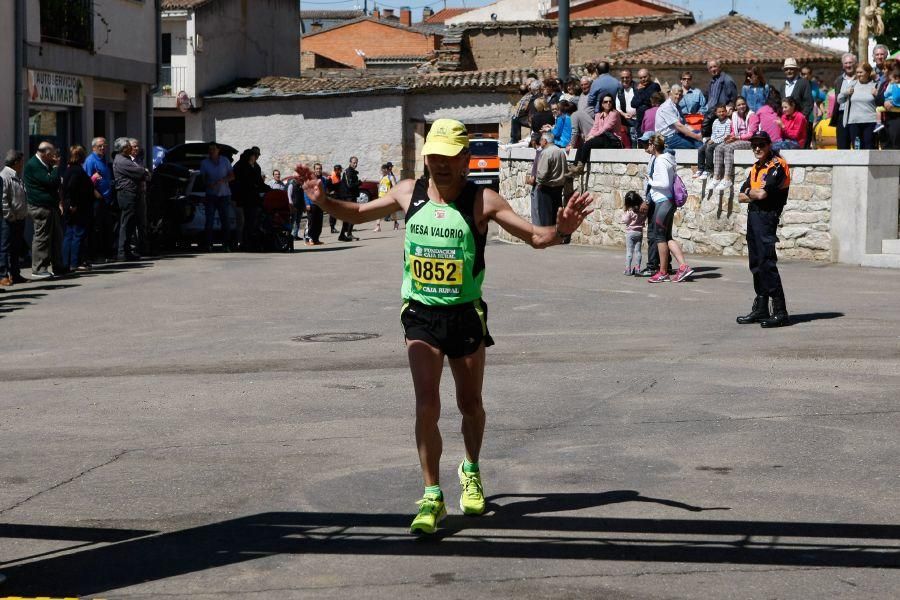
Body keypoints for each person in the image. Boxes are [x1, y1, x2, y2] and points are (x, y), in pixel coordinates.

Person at [299, 118, 594, 535]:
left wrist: (561, 231)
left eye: (446, 156)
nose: (437, 163)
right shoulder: (408, 192)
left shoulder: (483, 201)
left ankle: (470, 469)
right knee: (427, 404)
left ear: (464, 160)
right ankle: (432, 494)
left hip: (465, 314)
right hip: (420, 314)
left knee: (470, 405)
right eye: (432, 155)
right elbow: (360, 213)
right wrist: (324, 200)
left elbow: (535, 237)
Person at [737, 131, 790, 328]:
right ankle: (761, 307)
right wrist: (752, 193)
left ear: (769, 145)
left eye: (761, 144)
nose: (757, 148)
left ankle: (780, 310)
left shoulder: (778, 165)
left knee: (767, 263)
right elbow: (741, 196)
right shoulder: (756, 167)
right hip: (754, 216)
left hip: (767, 217)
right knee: (756, 263)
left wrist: (751, 193)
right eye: (754, 145)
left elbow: (761, 194)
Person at [642, 133, 693, 283]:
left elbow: (664, 183)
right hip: (667, 202)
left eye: (649, 144)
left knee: (659, 237)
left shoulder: (660, 160)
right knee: (666, 237)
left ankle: (663, 272)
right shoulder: (667, 158)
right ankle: (683, 267)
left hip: (663, 202)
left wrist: (651, 181)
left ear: (653, 145)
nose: (647, 147)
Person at [24, 141, 63, 279]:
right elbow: (51, 182)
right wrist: (56, 167)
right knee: (42, 238)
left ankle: (58, 266)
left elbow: (55, 183)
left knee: (55, 237)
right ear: (46, 154)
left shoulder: (44, 164)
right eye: (52, 155)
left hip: (49, 205)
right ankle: (39, 268)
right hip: (40, 206)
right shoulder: (34, 165)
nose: (54, 157)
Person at [569, 93, 628, 175]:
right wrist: (588, 136)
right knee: (584, 143)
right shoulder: (598, 114)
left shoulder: (614, 113)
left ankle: (581, 165)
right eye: (605, 101)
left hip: (613, 140)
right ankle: (575, 166)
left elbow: (606, 128)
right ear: (601, 103)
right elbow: (595, 128)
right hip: (602, 138)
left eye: (610, 101)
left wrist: (592, 136)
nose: (608, 103)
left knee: (589, 143)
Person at [61, 145, 97, 272]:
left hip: (72, 207)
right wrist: (73, 204)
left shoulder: (69, 169)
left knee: (69, 235)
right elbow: (72, 188)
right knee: (77, 235)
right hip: (78, 208)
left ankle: (67, 262)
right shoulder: (77, 171)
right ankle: (75, 262)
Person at [112, 137, 148, 261]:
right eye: (128, 146)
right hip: (126, 194)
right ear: (123, 148)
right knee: (126, 223)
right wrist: (143, 171)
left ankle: (126, 251)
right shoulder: (122, 160)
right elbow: (141, 173)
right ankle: (122, 252)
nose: (131, 148)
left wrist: (143, 172)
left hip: (132, 194)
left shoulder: (126, 159)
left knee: (131, 224)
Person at [711, 96, 753, 191]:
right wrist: (730, 137)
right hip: (737, 139)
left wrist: (736, 137)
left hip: (749, 141)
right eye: (739, 105)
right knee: (718, 148)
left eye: (743, 104)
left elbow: (751, 134)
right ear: (735, 107)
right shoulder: (734, 115)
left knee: (728, 148)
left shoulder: (751, 115)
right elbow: (734, 131)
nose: (741, 106)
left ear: (746, 104)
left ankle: (727, 178)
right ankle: (716, 177)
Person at [198, 142, 234, 252]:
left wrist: (222, 180)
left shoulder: (225, 161)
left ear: (218, 150)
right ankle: (208, 245)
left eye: (213, 149)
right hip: (211, 195)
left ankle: (226, 245)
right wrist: (207, 183)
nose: (211, 151)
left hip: (224, 195)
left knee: (225, 221)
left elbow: (232, 176)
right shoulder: (204, 163)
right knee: (209, 221)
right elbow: (202, 179)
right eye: (210, 149)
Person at [84, 137, 115, 262]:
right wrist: (96, 194)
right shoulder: (90, 161)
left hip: (106, 200)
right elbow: (86, 182)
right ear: (93, 148)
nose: (103, 148)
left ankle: (106, 254)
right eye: (100, 146)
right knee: (96, 228)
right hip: (97, 200)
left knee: (106, 228)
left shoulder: (103, 160)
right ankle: (95, 255)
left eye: (104, 146)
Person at [1, 150, 29, 286]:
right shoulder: (5, 176)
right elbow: (3, 199)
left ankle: (15, 274)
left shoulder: (17, 176)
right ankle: (3, 275)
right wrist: (9, 215)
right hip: (9, 219)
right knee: (5, 247)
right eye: (21, 161)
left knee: (16, 248)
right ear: (16, 162)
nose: (23, 164)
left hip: (19, 218)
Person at [839, 62, 878, 149]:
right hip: (854, 122)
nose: (858, 74)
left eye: (861, 72)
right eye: (857, 72)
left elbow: (880, 101)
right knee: (857, 148)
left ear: (868, 73)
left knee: (869, 146)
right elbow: (839, 100)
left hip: (870, 121)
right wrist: (846, 92)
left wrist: (877, 94)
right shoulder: (852, 84)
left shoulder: (874, 85)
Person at [533, 132, 568, 226]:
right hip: (559, 187)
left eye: (541, 140)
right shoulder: (561, 151)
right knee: (556, 214)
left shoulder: (546, 152)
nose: (540, 142)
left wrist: (539, 183)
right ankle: (557, 237)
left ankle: (547, 237)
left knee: (545, 215)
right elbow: (565, 169)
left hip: (546, 188)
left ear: (545, 141)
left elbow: (542, 173)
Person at [656, 84, 703, 151]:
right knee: (696, 143)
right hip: (668, 138)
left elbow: (684, 124)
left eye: (680, 95)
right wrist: (697, 137)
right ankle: (704, 160)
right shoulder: (667, 107)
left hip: (678, 135)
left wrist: (696, 132)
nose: (678, 96)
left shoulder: (677, 106)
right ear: (670, 94)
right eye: (676, 94)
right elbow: (679, 126)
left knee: (701, 135)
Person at [704, 60, 738, 137]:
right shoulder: (712, 81)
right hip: (712, 112)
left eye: (715, 66)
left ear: (719, 67)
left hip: (722, 114)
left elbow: (733, 97)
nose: (713, 69)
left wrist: (730, 106)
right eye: (710, 68)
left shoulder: (727, 80)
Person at [695, 104, 730, 181]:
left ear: (726, 112)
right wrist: (711, 140)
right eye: (719, 112)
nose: (721, 113)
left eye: (723, 111)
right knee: (701, 149)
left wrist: (714, 141)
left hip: (723, 141)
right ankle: (700, 169)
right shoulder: (715, 122)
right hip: (714, 140)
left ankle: (709, 170)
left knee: (709, 148)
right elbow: (713, 133)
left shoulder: (728, 122)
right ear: (716, 113)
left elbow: (726, 136)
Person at [831, 53, 859, 149]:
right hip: (841, 115)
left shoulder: (860, 78)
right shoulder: (838, 80)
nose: (848, 65)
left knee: (857, 145)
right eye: (846, 63)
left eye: (850, 62)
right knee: (842, 145)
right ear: (843, 65)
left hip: (856, 115)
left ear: (855, 64)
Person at [620, 190, 645, 275]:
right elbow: (644, 220)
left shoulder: (630, 212)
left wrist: (625, 213)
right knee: (638, 251)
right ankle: (638, 269)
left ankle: (628, 269)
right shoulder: (642, 212)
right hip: (639, 233)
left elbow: (625, 220)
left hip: (630, 233)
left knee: (629, 251)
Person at [631, 69, 662, 136]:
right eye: (641, 78)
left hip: (651, 121)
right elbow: (633, 104)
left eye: (645, 77)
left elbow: (648, 99)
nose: (643, 79)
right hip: (640, 122)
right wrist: (640, 93)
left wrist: (640, 91)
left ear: (649, 76)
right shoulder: (639, 89)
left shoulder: (654, 86)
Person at [338, 156, 361, 242]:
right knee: (351, 216)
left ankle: (344, 234)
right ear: (350, 162)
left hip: (352, 196)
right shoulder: (348, 172)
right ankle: (347, 234)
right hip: (348, 197)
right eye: (354, 162)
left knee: (350, 216)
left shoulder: (353, 172)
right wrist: (359, 183)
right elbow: (349, 185)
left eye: (356, 163)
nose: (355, 164)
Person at [303, 162, 326, 245]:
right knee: (311, 222)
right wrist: (307, 204)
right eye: (317, 169)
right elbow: (305, 191)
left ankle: (316, 239)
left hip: (320, 204)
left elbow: (324, 192)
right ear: (314, 170)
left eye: (320, 168)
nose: (318, 170)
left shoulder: (323, 179)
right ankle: (308, 239)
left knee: (319, 223)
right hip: (311, 204)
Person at [510, 79, 538, 143]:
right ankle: (515, 139)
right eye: (527, 85)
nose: (528, 87)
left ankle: (532, 139)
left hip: (536, 117)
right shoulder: (527, 94)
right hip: (527, 117)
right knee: (515, 119)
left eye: (529, 85)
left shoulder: (537, 94)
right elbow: (521, 89)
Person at [616, 69, 638, 145]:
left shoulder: (637, 89)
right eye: (622, 78)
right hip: (625, 122)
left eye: (627, 77)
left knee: (635, 143)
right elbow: (617, 107)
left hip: (637, 121)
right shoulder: (619, 91)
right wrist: (624, 114)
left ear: (631, 77)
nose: (625, 79)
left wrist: (635, 114)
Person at [286, 169, 305, 240]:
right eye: (298, 176)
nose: (299, 177)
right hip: (294, 207)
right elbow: (289, 196)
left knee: (298, 221)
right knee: (292, 221)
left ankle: (295, 235)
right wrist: (291, 205)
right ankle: (289, 235)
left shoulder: (301, 185)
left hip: (300, 206)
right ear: (295, 177)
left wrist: (304, 206)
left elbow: (303, 196)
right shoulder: (291, 185)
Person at [373, 163, 391, 233]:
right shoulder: (381, 177)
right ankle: (378, 226)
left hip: (388, 196)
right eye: (381, 170)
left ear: (386, 170)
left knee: (392, 211)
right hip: (381, 196)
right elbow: (379, 185)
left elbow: (394, 186)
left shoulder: (390, 177)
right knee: (378, 211)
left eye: (383, 170)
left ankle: (396, 222)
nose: (382, 172)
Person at [327, 164, 342, 233]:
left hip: (337, 196)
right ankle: (332, 228)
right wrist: (330, 192)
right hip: (333, 197)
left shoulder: (338, 175)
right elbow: (327, 186)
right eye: (339, 170)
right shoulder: (331, 177)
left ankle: (334, 227)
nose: (340, 171)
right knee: (333, 213)